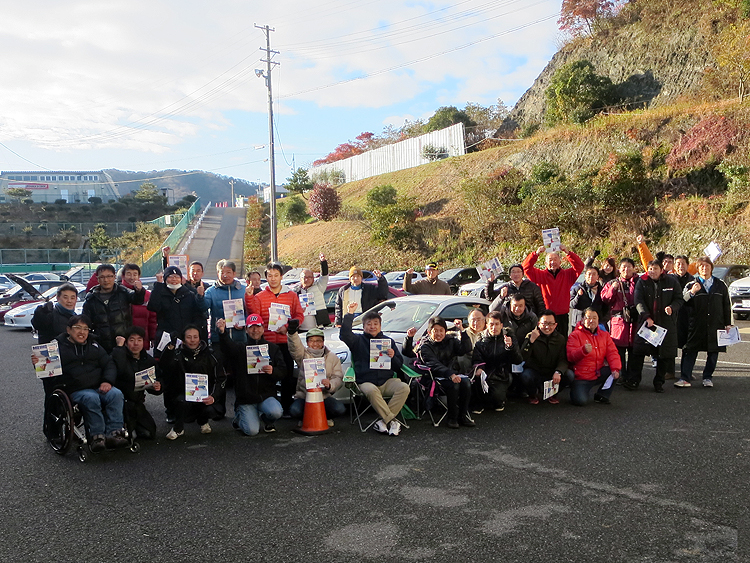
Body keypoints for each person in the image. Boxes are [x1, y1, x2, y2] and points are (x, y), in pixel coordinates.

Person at [54, 315, 128, 452]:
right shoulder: (57, 347)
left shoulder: (94, 345)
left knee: (116, 394)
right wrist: (38, 363)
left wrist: (107, 381)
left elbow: (109, 364)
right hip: (75, 389)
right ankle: (97, 436)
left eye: (85, 329)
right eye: (77, 328)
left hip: (98, 385)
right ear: (68, 330)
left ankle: (115, 433)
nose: (82, 332)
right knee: (91, 398)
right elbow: (47, 373)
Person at [245, 262, 305, 417]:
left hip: (286, 342)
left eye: (276, 275)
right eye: (269, 276)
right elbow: (254, 315)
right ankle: (267, 407)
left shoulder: (291, 295)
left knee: (287, 375)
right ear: (266, 277)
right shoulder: (259, 296)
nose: (273, 279)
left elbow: (299, 316)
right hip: (267, 342)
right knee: (266, 375)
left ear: (281, 276)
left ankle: (286, 406)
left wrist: (287, 326)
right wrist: (249, 296)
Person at [340, 302, 408, 436]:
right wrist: (349, 314)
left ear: (380, 325)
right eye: (369, 324)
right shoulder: (357, 340)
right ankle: (392, 421)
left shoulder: (388, 341)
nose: (372, 326)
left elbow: (398, 365)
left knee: (404, 388)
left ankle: (383, 422)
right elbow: (344, 335)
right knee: (371, 391)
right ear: (364, 326)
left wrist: (393, 356)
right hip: (366, 381)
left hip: (386, 380)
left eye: (375, 323)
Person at [216, 315, 285, 435]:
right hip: (246, 398)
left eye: (258, 327)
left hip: (266, 396)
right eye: (251, 327)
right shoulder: (240, 348)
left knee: (276, 412)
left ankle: (266, 419)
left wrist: (273, 371)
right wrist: (222, 332)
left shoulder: (273, 348)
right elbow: (227, 347)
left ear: (263, 328)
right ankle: (239, 416)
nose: (255, 330)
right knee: (252, 431)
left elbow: (283, 372)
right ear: (246, 330)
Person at [623, 260, 683, 393]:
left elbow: (679, 299)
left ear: (661, 270)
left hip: (666, 324)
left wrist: (672, 307)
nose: (652, 271)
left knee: (664, 354)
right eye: (650, 268)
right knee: (639, 353)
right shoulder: (642, 282)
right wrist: (646, 316)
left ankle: (659, 382)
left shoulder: (671, 282)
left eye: (655, 268)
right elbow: (638, 301)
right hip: (646, 324)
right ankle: (634, 380)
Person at [675, 257, 732, 388]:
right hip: (696, 324)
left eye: (707, 266)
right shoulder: (691, 284)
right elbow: (682, 301)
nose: (704, 268)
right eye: (701, 266)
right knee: (690, 350)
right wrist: (692, 292)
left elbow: (726, 306)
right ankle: (685, 377)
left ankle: (707, 377)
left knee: (713, 352)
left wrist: (728, 323)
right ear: (698, 269)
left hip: (715, 324)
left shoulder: (720, 285)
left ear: (711, 268)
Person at [159, 324, 225, 439]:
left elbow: (220, 378)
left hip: (205, 395)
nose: (192, 340)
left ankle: (203, 421)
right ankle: (178, 428)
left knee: (209, 408)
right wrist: (170, 347)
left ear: (200, 338)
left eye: (195, 337)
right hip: (183, 395)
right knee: (180, 401)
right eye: (189, 337)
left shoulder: (210, 355)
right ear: (184, 340)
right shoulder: (178, 354)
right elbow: (165, 366)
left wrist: (213, 396)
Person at [418, 317, 474, 429]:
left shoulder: (450, 341)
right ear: (429, 332)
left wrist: (462, 331)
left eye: (441, 330)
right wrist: (450, 374)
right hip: (434, 378)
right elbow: (433, 364)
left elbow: (466, 349)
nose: (438, 334)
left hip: (453, 374)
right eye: (435, 331)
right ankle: (452, 417)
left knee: (466, 382)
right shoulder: (425, 346)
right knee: (454, 385)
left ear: (445, 331)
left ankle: (463, 415)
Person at [111, 326, 162, 440]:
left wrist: (157, 386)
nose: (136, 344)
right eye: (132, 340)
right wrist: (119, 348)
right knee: (130, 436)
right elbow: (119, 370)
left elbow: (156, 381)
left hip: (137, 403)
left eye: (139, 340)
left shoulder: (148, 360)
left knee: (149, 434)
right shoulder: (118, 355)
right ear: (126, 342)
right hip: (120, 403)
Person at [287, 325, 345, 424]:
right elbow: (295, 347)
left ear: (323, 342)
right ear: (307, 343)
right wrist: (292, 333)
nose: (315, 343)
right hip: (304, 397)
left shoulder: (333, 357)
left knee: (339, 409)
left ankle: (325, 418)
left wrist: (330, 384)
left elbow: (338, 377)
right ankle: (305, 420)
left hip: (324, 396)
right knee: (294, 411)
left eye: (318, 340)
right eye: (311, 340)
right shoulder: (302, 355)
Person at [522, 244, 585, 335]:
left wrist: (568, 253)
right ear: (545, 264)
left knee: (562, 342)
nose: (553, 262)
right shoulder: (540, 275)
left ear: (560, 262)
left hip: (562, 316)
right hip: (544, 316)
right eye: (550, 260)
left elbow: (579, 266)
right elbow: (525, 268)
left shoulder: (568, 275)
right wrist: (536, 254)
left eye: (555, 259)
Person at [82, 264, 145, 353]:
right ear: (97, 278)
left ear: (114, 277)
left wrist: (139, 291)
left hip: (123, 342)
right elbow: (85, 322)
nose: (106, 280)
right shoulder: (91, 299)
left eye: (109, 276)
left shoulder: (122, 292)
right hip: (101, 345)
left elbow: (137, 300)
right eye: (102, 277)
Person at [147, 265, 210, 354]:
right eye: (170, 277)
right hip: (166, 338)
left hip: (185, 339)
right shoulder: (160, 294)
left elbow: (197, 315)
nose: (174, 279)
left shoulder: (189, 294)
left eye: (177, 277)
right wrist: (158, 285)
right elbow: (152, 306)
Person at [566, 308, 622, 406]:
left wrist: (615, 369)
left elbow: (612, 353)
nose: (592, 320)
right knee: (580, 401)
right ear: (582, 320)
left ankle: (602, 395)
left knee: (615, 371)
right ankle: (575, 389)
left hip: (597, 373)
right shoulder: (575, 335)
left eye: (594, 318)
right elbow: (570, 357)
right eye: (588, 318)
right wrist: (582, 350)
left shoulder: (604, 335)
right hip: (581, 377)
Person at [472, 311, 522, 412]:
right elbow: (477, 359)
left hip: (501, 374)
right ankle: (480, 401)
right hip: (485, 373)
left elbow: (518, 360)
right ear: (487, 325)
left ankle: (500, 398)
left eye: (496, 324)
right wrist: (479, 368)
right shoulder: (481, 340)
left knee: (497, 403)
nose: (494, 327)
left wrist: (510, 348)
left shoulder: (509, 337)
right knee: (477, 385)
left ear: (501, 325)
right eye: (491, 324)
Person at [519, 311, 573, 405]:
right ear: (539, 324)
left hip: (551, 372)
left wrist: (558, 372)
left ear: (555, 325)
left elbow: (563, 359)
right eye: (544, 323)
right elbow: (522, 357)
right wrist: (530, 341)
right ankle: (533, 394)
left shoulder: (560, 338)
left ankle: (552, 394)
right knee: (526, 375)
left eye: (551, 324)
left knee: (569, 375)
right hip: (535, 371)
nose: (548, 327)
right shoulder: (531, 335)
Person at [600, 258, 638, 384]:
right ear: (619, 269)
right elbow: (605, 299)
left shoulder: (639, 282)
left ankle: (632, 378)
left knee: (635, 352)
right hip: (618, 322)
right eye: (623, 267)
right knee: (618, 352)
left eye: (629, 267)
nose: (626, 269)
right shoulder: (612, 282)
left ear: (634, 268)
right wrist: (613, 289)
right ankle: (620, 376)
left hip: (635, 321)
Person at [204, 260, 246, 345]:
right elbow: (203, 307)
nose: (225, 275)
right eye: (222, 272)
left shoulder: (244, 290)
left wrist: (244, 323)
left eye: (228, 272)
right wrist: (200, 297)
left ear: (234, 274)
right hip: (218, 338)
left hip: (240, 338)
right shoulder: (210, 291)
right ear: (217, 273)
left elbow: (250, 311)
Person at [120, 263, 157, 347]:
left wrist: (153, 337)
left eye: (135, 274)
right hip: (123, 339)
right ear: (123, 276)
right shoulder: (119, 293)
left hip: (141, 339)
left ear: (139, 276)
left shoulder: (147, 295)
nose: (132, 277)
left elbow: (152, 319)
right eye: (128, 274)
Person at [294, 253, 331, 329]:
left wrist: (323, 262)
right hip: (302, 328)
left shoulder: (319, 286)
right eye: (304, 277)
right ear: (300, 279)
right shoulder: (296, 291)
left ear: (313, 278)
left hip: (319, 326)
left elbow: (324, 275)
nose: (306, 279)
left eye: (309, 277)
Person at [455, 308, 487, 374]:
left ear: (484, 320)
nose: (476, 323)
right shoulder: (464, 333)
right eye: (473, 320)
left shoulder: (489, 332)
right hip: (471, 361)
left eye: (478, 320)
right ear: (469, 321)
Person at [673, 255, 695, 351]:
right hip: (672, 316)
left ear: (688, 265)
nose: (680, 266)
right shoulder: (669, 279)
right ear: (674, 266)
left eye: (683, 264)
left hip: (687, 316)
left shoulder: (693, 281)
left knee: (687, 346)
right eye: (678, 264)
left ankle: (686, 366)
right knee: (671, 345)